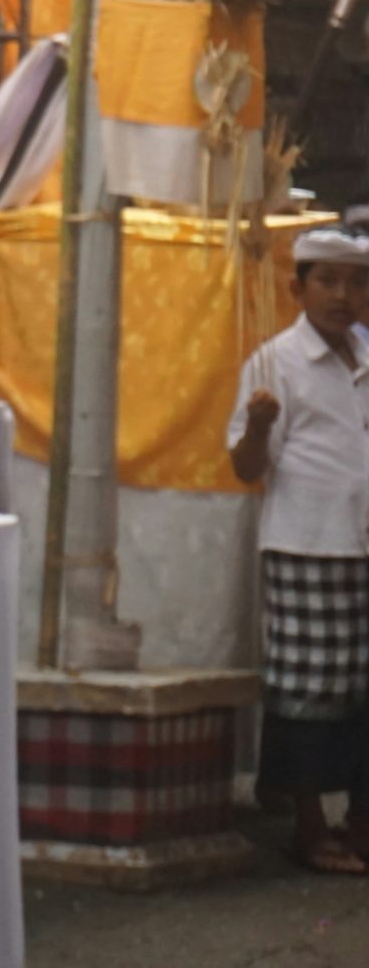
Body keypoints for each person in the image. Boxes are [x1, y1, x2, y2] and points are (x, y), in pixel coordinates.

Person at [227, 225, 369, 874]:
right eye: (328, 281)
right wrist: (257, 424)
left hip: (363, 542)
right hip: (309, 545)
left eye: (357, 281)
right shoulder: (274, 361)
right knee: (313, 691)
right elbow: (249, 468)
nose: (344, 294)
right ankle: (310, 828)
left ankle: (360, 825)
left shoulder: (367, 349)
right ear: (298, 287)